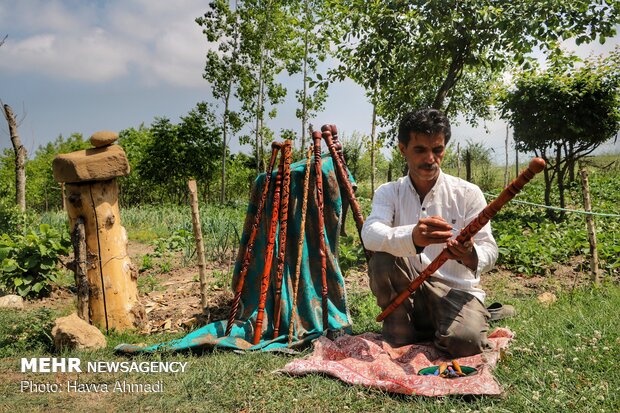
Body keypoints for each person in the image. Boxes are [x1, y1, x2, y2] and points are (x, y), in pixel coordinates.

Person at [361, 108, 498, 357]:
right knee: (381, 256)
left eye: (437, 150)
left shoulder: (468, 193)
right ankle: (401, 326)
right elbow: (370, 233)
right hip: (409, 291)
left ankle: (447, 325)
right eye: (420, 150)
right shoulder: (388, 192)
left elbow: (489, 250)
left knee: (466, 344)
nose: (430, 159)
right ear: (403, 150)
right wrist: (411, 238)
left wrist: (468, 253)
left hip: (456, 292)